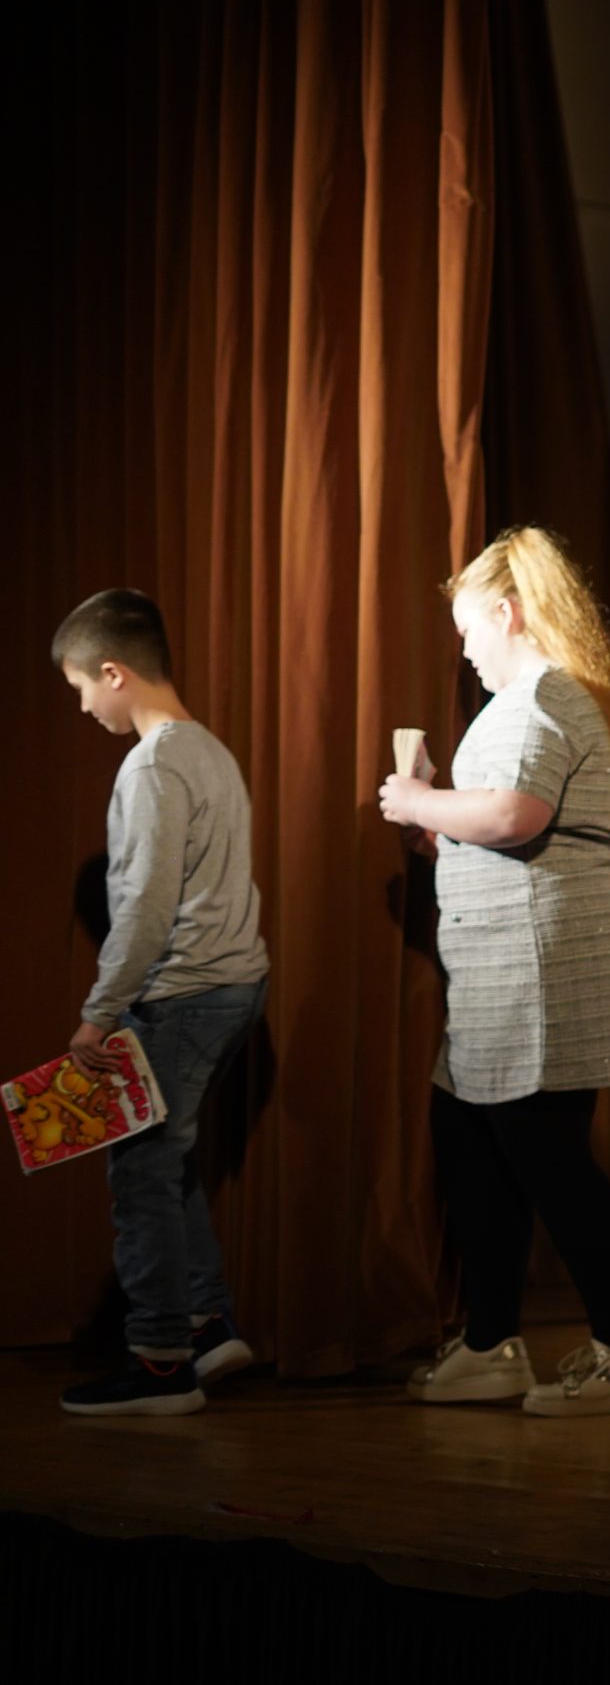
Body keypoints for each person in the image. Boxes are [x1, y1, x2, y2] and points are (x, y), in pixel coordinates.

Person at [378, 528, 610, 1419]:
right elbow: (523, 825)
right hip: (505, 971)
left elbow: (518, 814)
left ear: (507, 612)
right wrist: (441, 827)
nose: (464, 648)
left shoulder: (543, 694)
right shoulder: (552, 696)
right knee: (473, 1147)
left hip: (541, 971)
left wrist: (419, 799)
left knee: (549, 1161)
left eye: (468, 628)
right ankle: (490, 1343)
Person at [50, 590, 270, 1416]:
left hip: (185, 994)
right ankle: (205, 1325)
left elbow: (144, 907)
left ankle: (159, 1363)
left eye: (81, 686)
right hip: (235, 985)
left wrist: (99, 1012)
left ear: (114, 672)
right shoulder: (209, 749)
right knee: (169, 1159)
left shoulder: (150, 765)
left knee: (140, 1169)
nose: (83, 706)